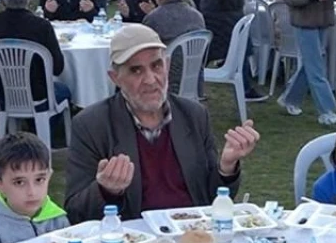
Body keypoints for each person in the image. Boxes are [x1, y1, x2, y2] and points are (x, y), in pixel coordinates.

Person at [63, 24, 259, 222]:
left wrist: (226, 166)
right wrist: (105, 191)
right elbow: (76, 213)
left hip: (192, 233)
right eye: (136, 70)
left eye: (156, 66)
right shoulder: (92, 125)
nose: (150, 80)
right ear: (116, 78)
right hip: (134, 241)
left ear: (167, 65)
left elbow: (211, 198)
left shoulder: (194, 115)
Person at [0, 0, 72, 110]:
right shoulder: (42, 26)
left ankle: (22, 124)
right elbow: (57, 67)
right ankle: (40, 126)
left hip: (4, 94)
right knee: (64, 90)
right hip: (39, 94)